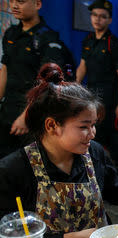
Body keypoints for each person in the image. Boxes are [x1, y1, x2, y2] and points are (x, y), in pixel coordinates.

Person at [0, 63, 118, 238]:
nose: (92, 133)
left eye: (94, 125)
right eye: (84, 127)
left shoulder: (93, 152)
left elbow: (113, 190)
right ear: (51, 126)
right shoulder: (14, 170)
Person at [0, 0, 71, 158]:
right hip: (8, 109)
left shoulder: (47, 38)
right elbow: (5, 69)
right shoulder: (11, 33)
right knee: (5, 163)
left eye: (21, 1)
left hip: (32, 112)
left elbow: (48, 82)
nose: (14, 6)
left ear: (37, 4)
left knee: (31, 165)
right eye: (11, 1)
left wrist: (26, 115)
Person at [75, 0, 118, 176]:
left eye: (102, 16)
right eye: (94, 15)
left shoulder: (115, 44)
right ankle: (94, 167)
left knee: (106, 131)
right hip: (90, 94)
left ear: (109, 20)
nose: (97, 19)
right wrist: (73, 89)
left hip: (108, 96)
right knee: (91, 131)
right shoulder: (88, 40)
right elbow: (82, 66)